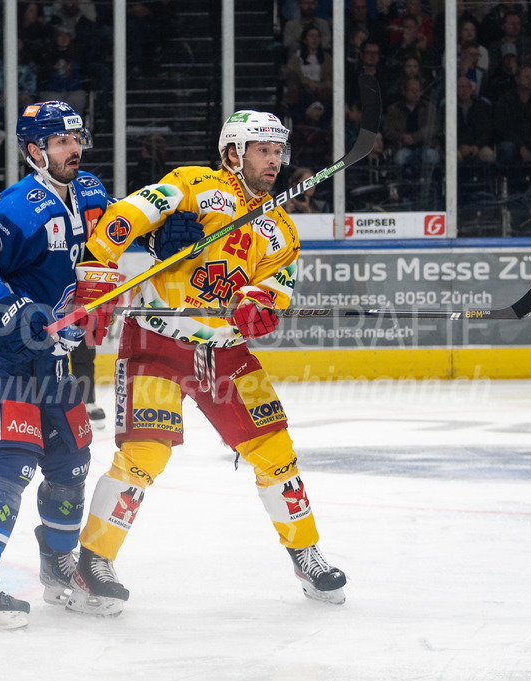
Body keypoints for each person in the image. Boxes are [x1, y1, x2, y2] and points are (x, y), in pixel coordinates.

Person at [66, 110, 347, 617]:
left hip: (225, 350)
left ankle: (306, 554)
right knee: (145, 455)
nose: (274, 161)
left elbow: (277, 282)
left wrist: (261, 303)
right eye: (263, 150)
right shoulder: (193, 185)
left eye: (278, 151)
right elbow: (126, 215)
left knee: (276, 450)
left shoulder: (281, 227)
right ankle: (94, 562)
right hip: (157, 340)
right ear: (233, 152)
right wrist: (98, 272)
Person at [0, 101, 111, 630]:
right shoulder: (16, 208)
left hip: (53, 354)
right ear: (35, 150)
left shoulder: (90, 192)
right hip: (1, 350)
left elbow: (116, 241)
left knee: (72, 460)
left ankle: (58, 565)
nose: (74, 149)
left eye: (76, 139)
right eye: (61, 142)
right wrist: (21, 313)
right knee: (11, 464)